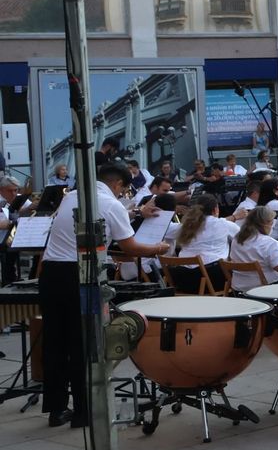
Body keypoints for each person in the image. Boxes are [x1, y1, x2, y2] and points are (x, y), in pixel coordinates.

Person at [40, 162, 167, 427]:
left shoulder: (72, 196)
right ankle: (85, 411)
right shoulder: (112, 205)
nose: (124, 195)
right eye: (124, 189)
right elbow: (130, 247)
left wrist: (134, 213)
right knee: (84, 343)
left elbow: (106, 227)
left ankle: (56, 408)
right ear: (117, 184)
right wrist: (157, 248)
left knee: (55, 341)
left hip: (52, 273)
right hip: (81, 276)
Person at [229, 206, 278, 290]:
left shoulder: (237, 239)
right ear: (265, 224)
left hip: (239, 290)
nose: (273, 226)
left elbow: (255, 247)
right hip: (266, 290)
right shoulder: (269, 243)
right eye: (272, 223)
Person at [170, 193, 237, 292]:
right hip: (212, 279)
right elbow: (246, 239)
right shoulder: (224, 224)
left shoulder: (184, 226)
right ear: (215, 209)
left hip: (182, 279)